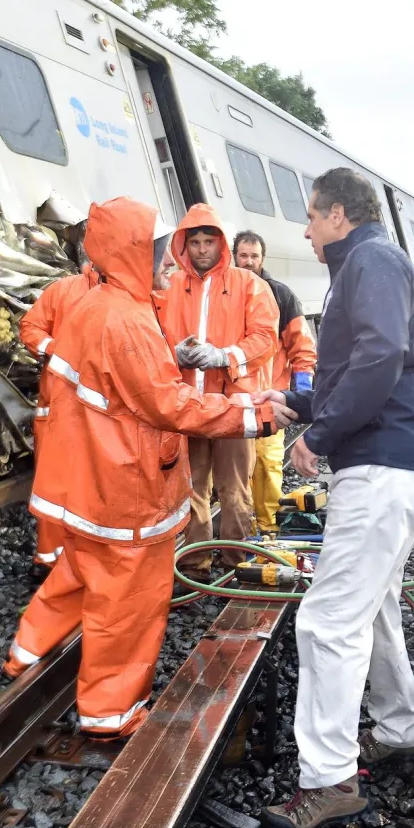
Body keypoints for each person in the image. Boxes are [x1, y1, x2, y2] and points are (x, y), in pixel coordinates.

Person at [2, 197, 293, 739]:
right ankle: (109, 711)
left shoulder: (98, 304)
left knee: (76, 573)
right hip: (124, 485)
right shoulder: (127, 320)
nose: (171, 261)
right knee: (127, 603)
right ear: (135, 251)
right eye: (162, 250)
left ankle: (27, 653)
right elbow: (168, 404)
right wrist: (253, 416)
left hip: (92, 477)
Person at [258, 168, 414, 828]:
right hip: (396, 461)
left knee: (326, 622)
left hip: (383, 468)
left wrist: (322, 433)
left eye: (311, 217)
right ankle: (401, 729)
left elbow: (382, 357)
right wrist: (301, 404)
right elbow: (363, 372)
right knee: (373, 610)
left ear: (339, 214)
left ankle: (328, 781)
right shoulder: (369, 264)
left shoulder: (370, 259)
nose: (305, 230)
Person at [158, 206, 280, 579]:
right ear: (183, 244)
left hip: (231, 408)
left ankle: (237, 562)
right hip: (187, 407)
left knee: (234, 489)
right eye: (193, 242)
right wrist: (172, 354)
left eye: (208, 241)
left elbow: (265, 338)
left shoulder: (249, 284)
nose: (200, 249)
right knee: (190, 489)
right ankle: (195, 566)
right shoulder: (170, 286)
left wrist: (223, 356)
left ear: (220, 243)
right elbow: (151, 335)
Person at [18, 255, 101, 569]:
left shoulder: (135, 294)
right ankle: (53, 560)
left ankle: (87, 559)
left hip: (103, 413)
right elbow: (31, 328)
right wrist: (57, 350)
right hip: (58, 407)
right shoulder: (64, 290)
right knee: (54, 487)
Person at [233, 230, 317, 534]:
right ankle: (242, 530)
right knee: (235, 472)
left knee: (268, 465)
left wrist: (303, 396)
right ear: (234, 256)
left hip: (269, 401)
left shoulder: (281, 296)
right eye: (243, 255)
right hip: (234, 402)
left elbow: (302, 349)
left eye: (254, 256)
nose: (248, 262)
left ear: (262, 259)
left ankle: (268, 530)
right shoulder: (223, 294)